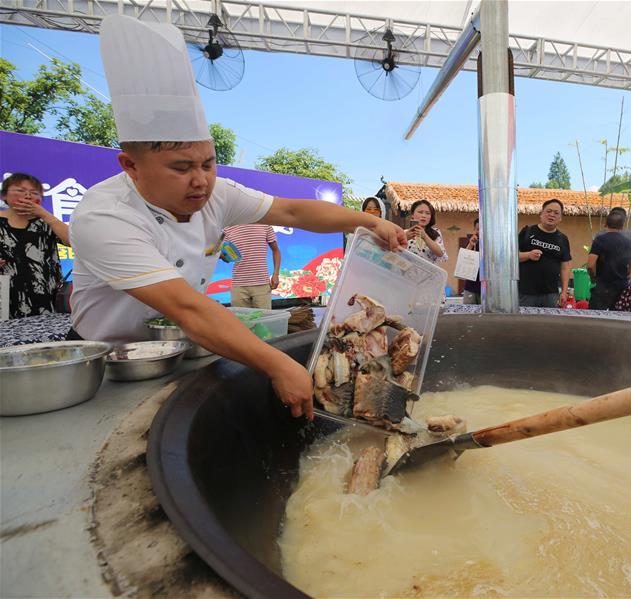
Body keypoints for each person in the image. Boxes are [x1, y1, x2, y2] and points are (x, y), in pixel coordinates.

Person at [68, 15, 406, 421]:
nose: (201, 181)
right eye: (181, 168)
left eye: (209, 164)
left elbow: (293, 209)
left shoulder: (217, 193)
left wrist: (366, 222)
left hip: (185, 351)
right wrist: (277, 363)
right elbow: (187, 309)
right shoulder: (103, 216)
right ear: (131, 165)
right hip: (110, 368)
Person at [0, 173, 70, 319]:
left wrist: (45, 215)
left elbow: (73, 241)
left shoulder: (45, 223)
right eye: (20, 190)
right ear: (4, 195)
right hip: (5, 297)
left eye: (34, 192)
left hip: (46, 296)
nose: (27, 196)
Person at [518, 199, 572, 307]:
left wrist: (564, 291)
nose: (552, 215)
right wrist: (528, 255)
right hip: (526, 292)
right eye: (548, 211)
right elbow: (511, 257)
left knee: (549, 323)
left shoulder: (562, 239)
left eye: (556, 213)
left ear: (560, 218)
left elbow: (565, 267)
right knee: (525, 322)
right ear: (541, 214)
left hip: (551, 294)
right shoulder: (528, 232)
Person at [587, 208, 631, 310]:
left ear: (606, 224)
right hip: (621, 287)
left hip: (602, 286)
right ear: (622, 226)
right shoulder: (629, 241)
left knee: (596, 317)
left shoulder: (600, 239)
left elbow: (590, 265)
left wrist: (593, 279)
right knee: (617, 319)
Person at [223, 224, 280, 309]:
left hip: (262, 284)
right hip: (239, 286)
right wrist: (222, 255)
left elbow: (276, 251)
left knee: (265, 320)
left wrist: (276, 274)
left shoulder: (265, 225)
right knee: (240, 320)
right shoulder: (228, 228)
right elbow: (226, 258)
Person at [403, 199, 448, 264]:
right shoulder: (405, 232)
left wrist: (425, 237)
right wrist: (405, 237)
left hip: (429, 273)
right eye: (420, 212)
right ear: (412, 215)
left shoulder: (435, 233)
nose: (424, 216)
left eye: (428, 213)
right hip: (406, 272)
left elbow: (441, 254)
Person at [462, 217, 481, 304]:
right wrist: (470, 245)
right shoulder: (471, 242)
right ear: (474, 229)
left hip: (487, 289)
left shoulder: (494, 244)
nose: (480, 232)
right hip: (470, 287)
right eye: (478, 229)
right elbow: (463, 259)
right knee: (468, 314)